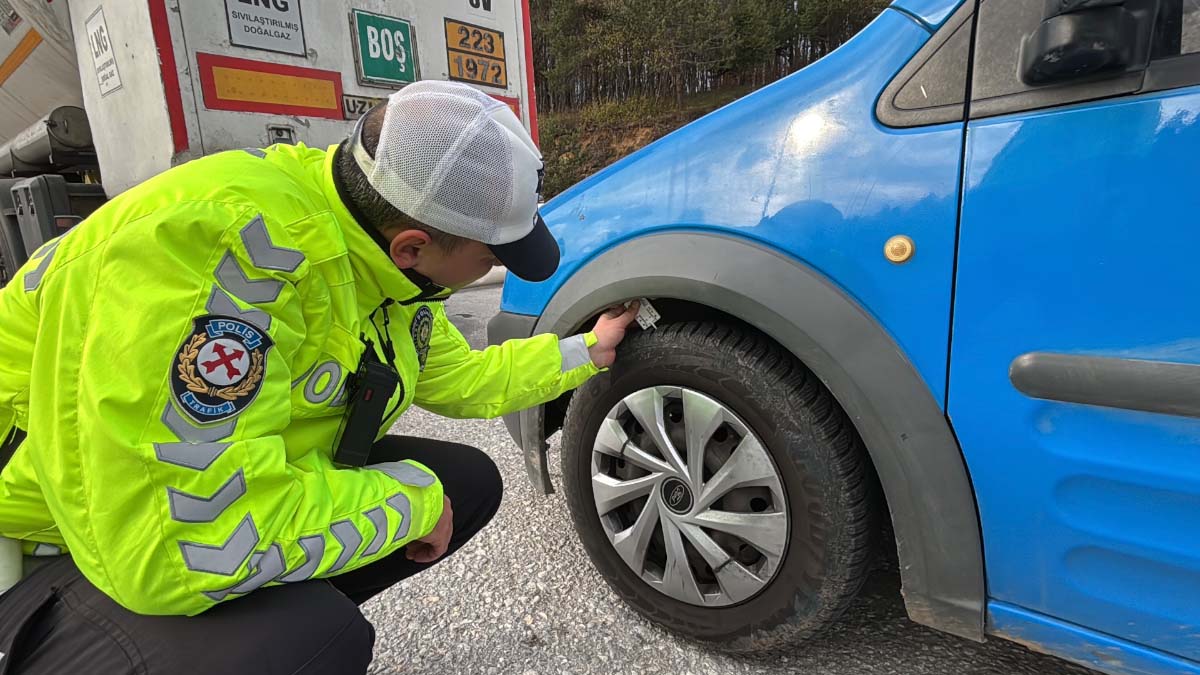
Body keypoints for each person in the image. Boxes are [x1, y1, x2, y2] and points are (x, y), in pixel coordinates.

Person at [0, 80, 638, 673]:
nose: (490, 273)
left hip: (147, 505)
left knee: (466, 483)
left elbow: (460, 377)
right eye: (491, 257)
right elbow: (181, 545)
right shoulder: (227, 261)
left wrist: (588, 351)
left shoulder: (374, 253)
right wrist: (409, 502)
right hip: (45, 536)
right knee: (316, 636)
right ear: (412, 245)